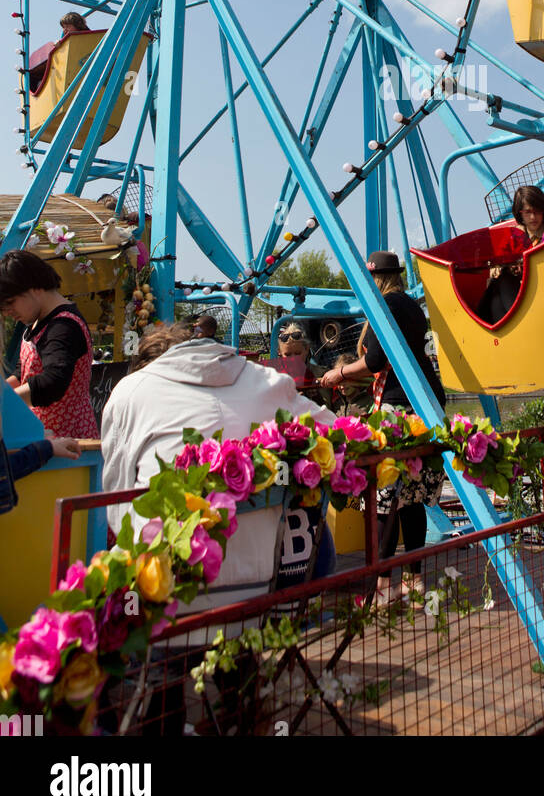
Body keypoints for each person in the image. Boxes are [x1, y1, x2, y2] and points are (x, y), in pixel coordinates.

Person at [102, 321, 337, 609]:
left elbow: (118, 503)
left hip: (164, 597)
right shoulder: (269, 383)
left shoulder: (130, 392)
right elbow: (337, 431)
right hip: (262, 588)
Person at [320, 251, 446, 605]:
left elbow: (375, 361)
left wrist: (339, 373)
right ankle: (415, 581)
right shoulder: (410, 305)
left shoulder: (386, 306)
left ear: (375, 279)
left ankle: (383, 587)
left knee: (383, 498)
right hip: (424, 404)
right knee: (413, 498)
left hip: (396, 409)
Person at [0, 250, 99, 439]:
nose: (7, 313)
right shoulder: (38, 322)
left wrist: (5, 402)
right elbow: (22, 374)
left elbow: (53, 381)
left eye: (11, 302)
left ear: (34, 287)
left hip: (70, 442)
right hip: (45, 438)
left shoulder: (64, 327)